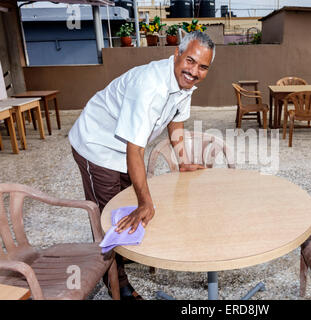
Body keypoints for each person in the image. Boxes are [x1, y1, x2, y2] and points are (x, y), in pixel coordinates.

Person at [68, 31, 215, 300]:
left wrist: (183, 162)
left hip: (124, 148)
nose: (194, 72)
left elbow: (176, 121)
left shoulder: (185, 84)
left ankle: (125, 252)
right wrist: (146, 202)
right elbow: (135, 149)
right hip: (96, 145)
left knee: (127, 204)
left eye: (203, 66)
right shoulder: (149, 85)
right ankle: (116, 281)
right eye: (190, 61)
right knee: (107, 214)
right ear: (176, 54)